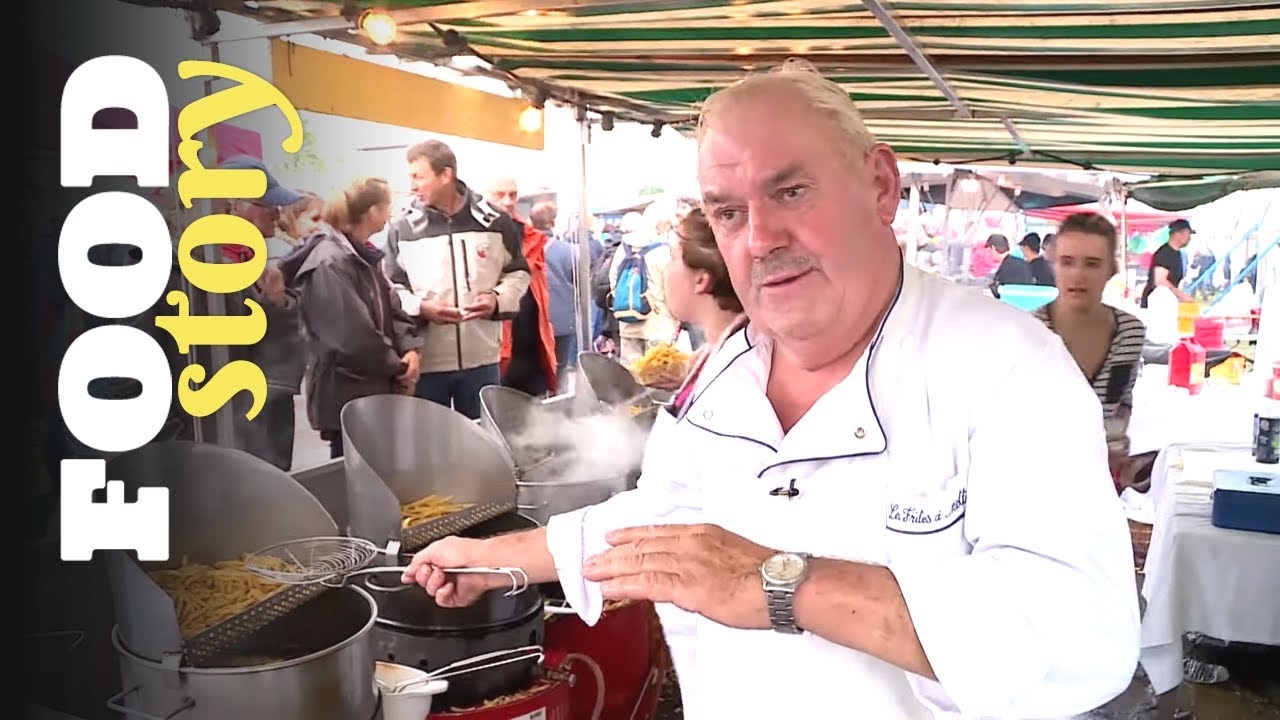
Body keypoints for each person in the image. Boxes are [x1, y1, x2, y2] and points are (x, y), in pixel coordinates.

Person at [402, 59, 1139, 719]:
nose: (758, 238)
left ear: (880, 185)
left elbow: (1083, 635)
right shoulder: (726, 365)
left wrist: (783, 585)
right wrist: (500, 561)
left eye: (790, 191)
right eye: (727, 211)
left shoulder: (1007, 366)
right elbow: (667, 523)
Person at [382, 140, 531, 420]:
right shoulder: (402, 228)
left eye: (418, 176)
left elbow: (519, 272)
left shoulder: (495, 221)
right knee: (432, 449)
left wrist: (497, 300)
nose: (412, 186)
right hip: (427, 363)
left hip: (482, 360)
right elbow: (391, 288)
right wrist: (421, 308)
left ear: (445, 175)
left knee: (484, 443)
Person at [280, 177, 422, 459]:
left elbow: (394, 307)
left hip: (373, 393)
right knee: (358, 485)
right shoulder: (329, 261)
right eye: (387, 206)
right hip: (349, 396)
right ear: (372, 211)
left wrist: (410, 350)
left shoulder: (363, 255)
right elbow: (352, 338)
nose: (390, 214)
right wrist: (398, 369)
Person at [1034, 213, 1146, 490]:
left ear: (1112, 270)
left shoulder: (1130, 332)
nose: (1078, 275)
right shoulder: (1028, 330)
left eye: (1092, 264)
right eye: (1067, 262)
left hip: (1105, 486)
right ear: (1053, 263)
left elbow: (1119, 411)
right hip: (1036, 481)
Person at [217, 155, 305, 472]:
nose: (277, 213)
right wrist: (277, 304)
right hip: (247, 436)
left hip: (265, 427)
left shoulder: (252, 267)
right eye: (267, 204)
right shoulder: (214, 275)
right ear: (234, 206)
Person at [660, 207, 747, 400]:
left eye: (673, 258)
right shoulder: (719, 353)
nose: (666, 270)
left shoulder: (735, 377)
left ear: (701, 280)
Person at [487, 177, 558, 398]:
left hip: (531, 348)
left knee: (534, 423)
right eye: (499, 194)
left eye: (513, 195)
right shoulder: (476, 237)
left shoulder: (532, 237)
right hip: (494, 351)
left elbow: (539, 294)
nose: (508, 202)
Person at [1140, 218, 1194, 308]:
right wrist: (1181, 295)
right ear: (1178, 234)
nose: (1189, 238)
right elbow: (1160, 281)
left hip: (1166, 301)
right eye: (1188, 234)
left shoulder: (1177, 254)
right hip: (1156, 302)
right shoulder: (1164, 254)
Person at [985, 233, 1035, 298]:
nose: (989, 254)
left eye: (989, 251)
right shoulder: (1022, 263)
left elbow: (1004, 292)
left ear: (993, 248)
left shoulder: (1007, 268)